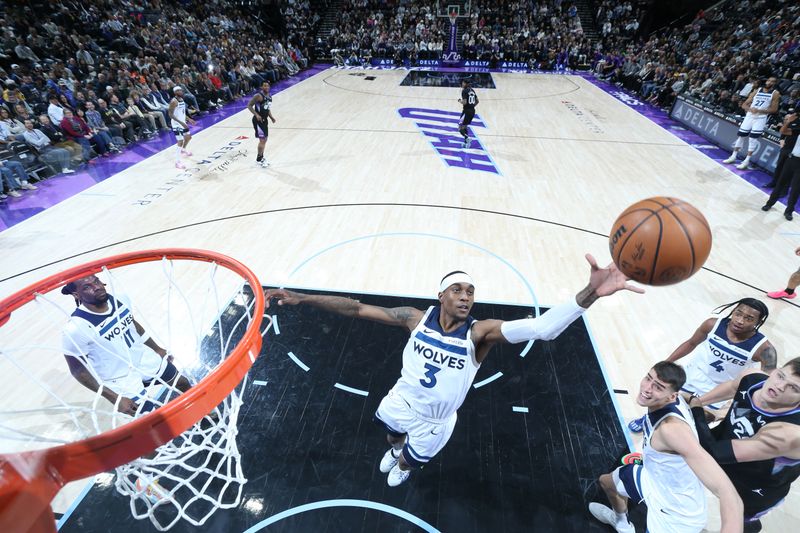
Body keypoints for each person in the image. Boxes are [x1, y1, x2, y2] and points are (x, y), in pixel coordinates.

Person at [265, 254, 644, 486]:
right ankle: (397, 450)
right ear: (441, 294)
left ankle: (405, 464)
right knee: (392, 438)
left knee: (411, 459)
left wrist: (590, 293)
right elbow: (354, 308)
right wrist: (302, 297)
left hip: (436, 419)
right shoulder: (414, 318)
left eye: (471, 292)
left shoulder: (480, 334)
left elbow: (543, 329)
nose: (466, 297)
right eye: (459, 290)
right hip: (401, 401)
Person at [590, 362, 743, 533]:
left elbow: (726, 491)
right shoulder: (677, 398)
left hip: (674, 512)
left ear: (671, 397)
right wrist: (695, 400)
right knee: (607, 482)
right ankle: (622, 525)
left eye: (658, 387)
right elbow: (690, 398)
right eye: (648, 378)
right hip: (653, 480)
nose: (647, 388)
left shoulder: (671, 430)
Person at [687, 358, 800, 532]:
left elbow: (711, 453)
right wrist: (702, 403)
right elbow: (733, 388)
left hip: (755, 485)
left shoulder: (788, 433)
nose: (779, 386)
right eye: (780, 376)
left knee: (742, 520)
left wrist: (694, 406)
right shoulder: (752, 378)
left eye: (794, 388)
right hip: (725, 445)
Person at [629, 298, 776, 432]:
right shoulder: (712, 324)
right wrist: (666, 362)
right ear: (733, 311)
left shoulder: (764, 348)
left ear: (758, 322)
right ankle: (648, 420)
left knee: (692, 419)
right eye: (738, 313)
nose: (740, 320)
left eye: (749, 318)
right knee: (662, 401)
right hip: (692, 374)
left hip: (719, 388)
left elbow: (766, 380)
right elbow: (691, 343)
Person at [61, 275, 192, 416]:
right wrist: (114, 398)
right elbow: (78, 370)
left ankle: (204, 411)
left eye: (96, 281)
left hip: (142, 358)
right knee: (154, 419)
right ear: (76, 294)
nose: (97, 287)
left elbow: (132, 324)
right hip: (119, 377)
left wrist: (156, 348)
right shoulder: (75, 329)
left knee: (182, 382)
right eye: (87, 287)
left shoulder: (120, 298)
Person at [723, 77, 780, 170]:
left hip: (760, 118)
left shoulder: (775, 93)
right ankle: (733, 156)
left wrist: (760, 110)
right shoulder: (757, 90)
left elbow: (774, 109)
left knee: (753, 139)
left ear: (774, 84)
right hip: (750, 116)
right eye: (769, 80)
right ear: (766, 81)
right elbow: (744, 104)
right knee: (741, 136)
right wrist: (750, 109)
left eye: (773, 82)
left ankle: (746, 161)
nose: (770, 82)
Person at [761, 133, 800, 221]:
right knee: (780, 183)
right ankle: (769, 204)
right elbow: (785, 131)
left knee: (796, 189)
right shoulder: (797, 130)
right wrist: (782, 138)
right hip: (791, 159)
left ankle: (789, 211)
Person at [246, 81, 276, 168]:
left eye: (267, 86)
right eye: (264, 86)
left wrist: (271, 117)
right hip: (258, 120)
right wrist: (256, 114)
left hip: (264, 120)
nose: (266, 87)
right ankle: (259, 159)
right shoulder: (258, 96)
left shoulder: (269, 97)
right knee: (262, 140)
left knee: (265, 139)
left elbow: (267, 108)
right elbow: (249, 105)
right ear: (262, 87)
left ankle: (261, 157)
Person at [168, 86, 196, 170]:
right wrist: (181, 123)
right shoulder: (174, 101)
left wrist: (189, 119)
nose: (181, 91)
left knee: (188, 138)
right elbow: (170, 114)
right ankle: (177, 162)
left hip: (182, 123)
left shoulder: (182, 100)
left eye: (181, 90)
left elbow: (182, 113)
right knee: (180, 141)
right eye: (178, 90)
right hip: (176, 124)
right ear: (175, 92)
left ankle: (183, 150)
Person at [458, 79, 478, 149]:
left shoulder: (464, 91)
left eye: (463, 83)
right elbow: (477, 101)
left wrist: (459, 101)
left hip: (466, 111)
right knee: (465, 127)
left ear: (465, 84)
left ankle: (467, 138)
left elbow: (465, 102)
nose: (462, 84)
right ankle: (466, 143)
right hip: (472, 111)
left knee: (460, 128)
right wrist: (471, 106)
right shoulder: (472, 90)